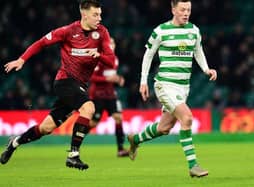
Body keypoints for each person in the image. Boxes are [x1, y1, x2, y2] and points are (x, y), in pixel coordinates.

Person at [0, 0, 115, 170]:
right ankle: (73, 155)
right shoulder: (68, 31)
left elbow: (111, 61)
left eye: (100, 14)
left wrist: (98, 54)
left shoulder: (102, 33)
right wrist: (22, 59)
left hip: (79, 86)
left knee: (46, 128)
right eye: (95, 15)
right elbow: (41, 43)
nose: (99, 18)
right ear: (84, 14)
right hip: (64, 81)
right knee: (89, 108)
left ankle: (14, 142)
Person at [127, 0, 217, 178]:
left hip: (183, 87)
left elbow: (198, 51)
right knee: (187, 117)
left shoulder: (194, 31)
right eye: (182, 9)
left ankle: (135, 139)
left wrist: (206, 69)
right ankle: (193, 165)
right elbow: (148, 55)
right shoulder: (161, 31)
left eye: (189, 10)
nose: (186, 13)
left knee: (164, 128)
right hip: (165, 84)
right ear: (173, 9)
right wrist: (143, 81)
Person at [88, 37, 129, 157]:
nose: (111, 45)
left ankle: (120, 149)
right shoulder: (98, 59)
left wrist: (118, 79)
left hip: (110, 95)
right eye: (109, 43)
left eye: (113, 43)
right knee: (93, 123)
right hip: (97, 95)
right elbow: (91, 77)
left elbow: (112, 76)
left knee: (118, 117)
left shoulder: (115, 59)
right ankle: (76, 140)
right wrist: (107, 79)